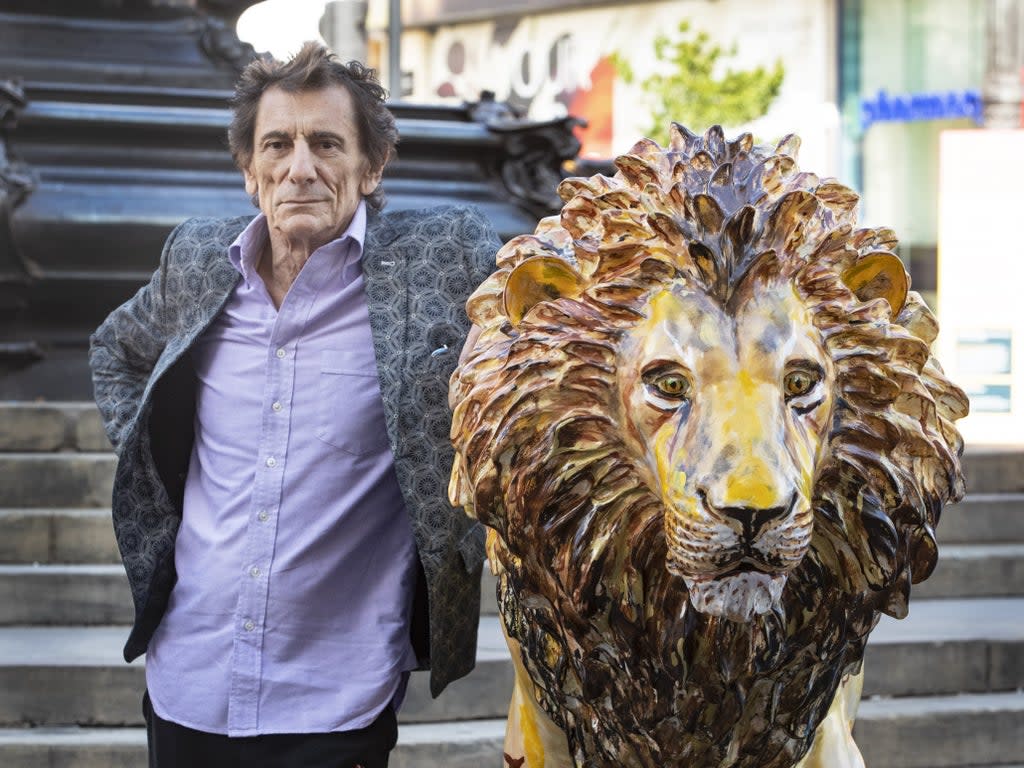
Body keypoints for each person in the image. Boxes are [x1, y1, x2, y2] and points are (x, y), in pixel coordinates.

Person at [89, 41, 500, 768]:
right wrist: (152, 462)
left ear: (371, 168)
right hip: (188, 682)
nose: (299, 166)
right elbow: (115, 349)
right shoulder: (195, 261)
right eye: (276, 143)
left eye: (327, 143)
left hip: (336, 699)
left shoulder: (439, 263)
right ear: (250, 170)